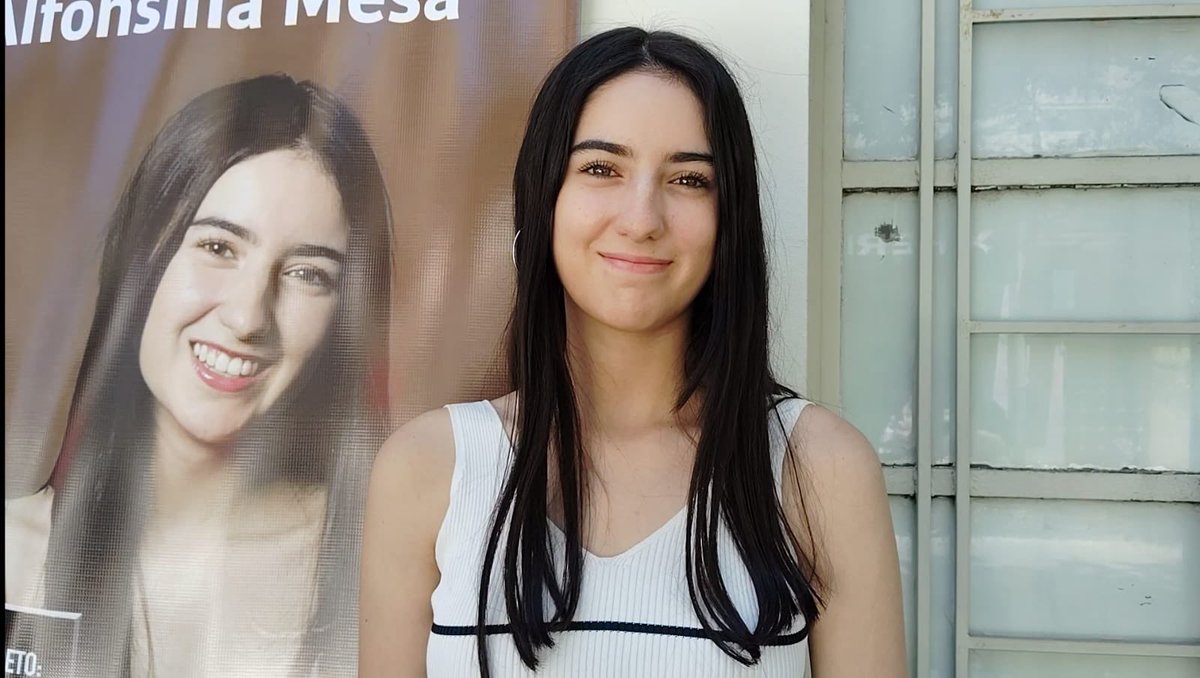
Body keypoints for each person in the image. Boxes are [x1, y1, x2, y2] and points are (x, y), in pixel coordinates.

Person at [360, 27, 905, 677]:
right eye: (600, 168)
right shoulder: (426, 470)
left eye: (689, 178)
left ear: (729, 218)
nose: (642, 217)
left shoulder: (818, 469)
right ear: (544, 198)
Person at [4, 73, 393, 677]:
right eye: (217, 248)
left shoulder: (383, 566)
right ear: (142, 258)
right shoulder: (13, 553)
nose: (246, 317)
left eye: (308, 274)